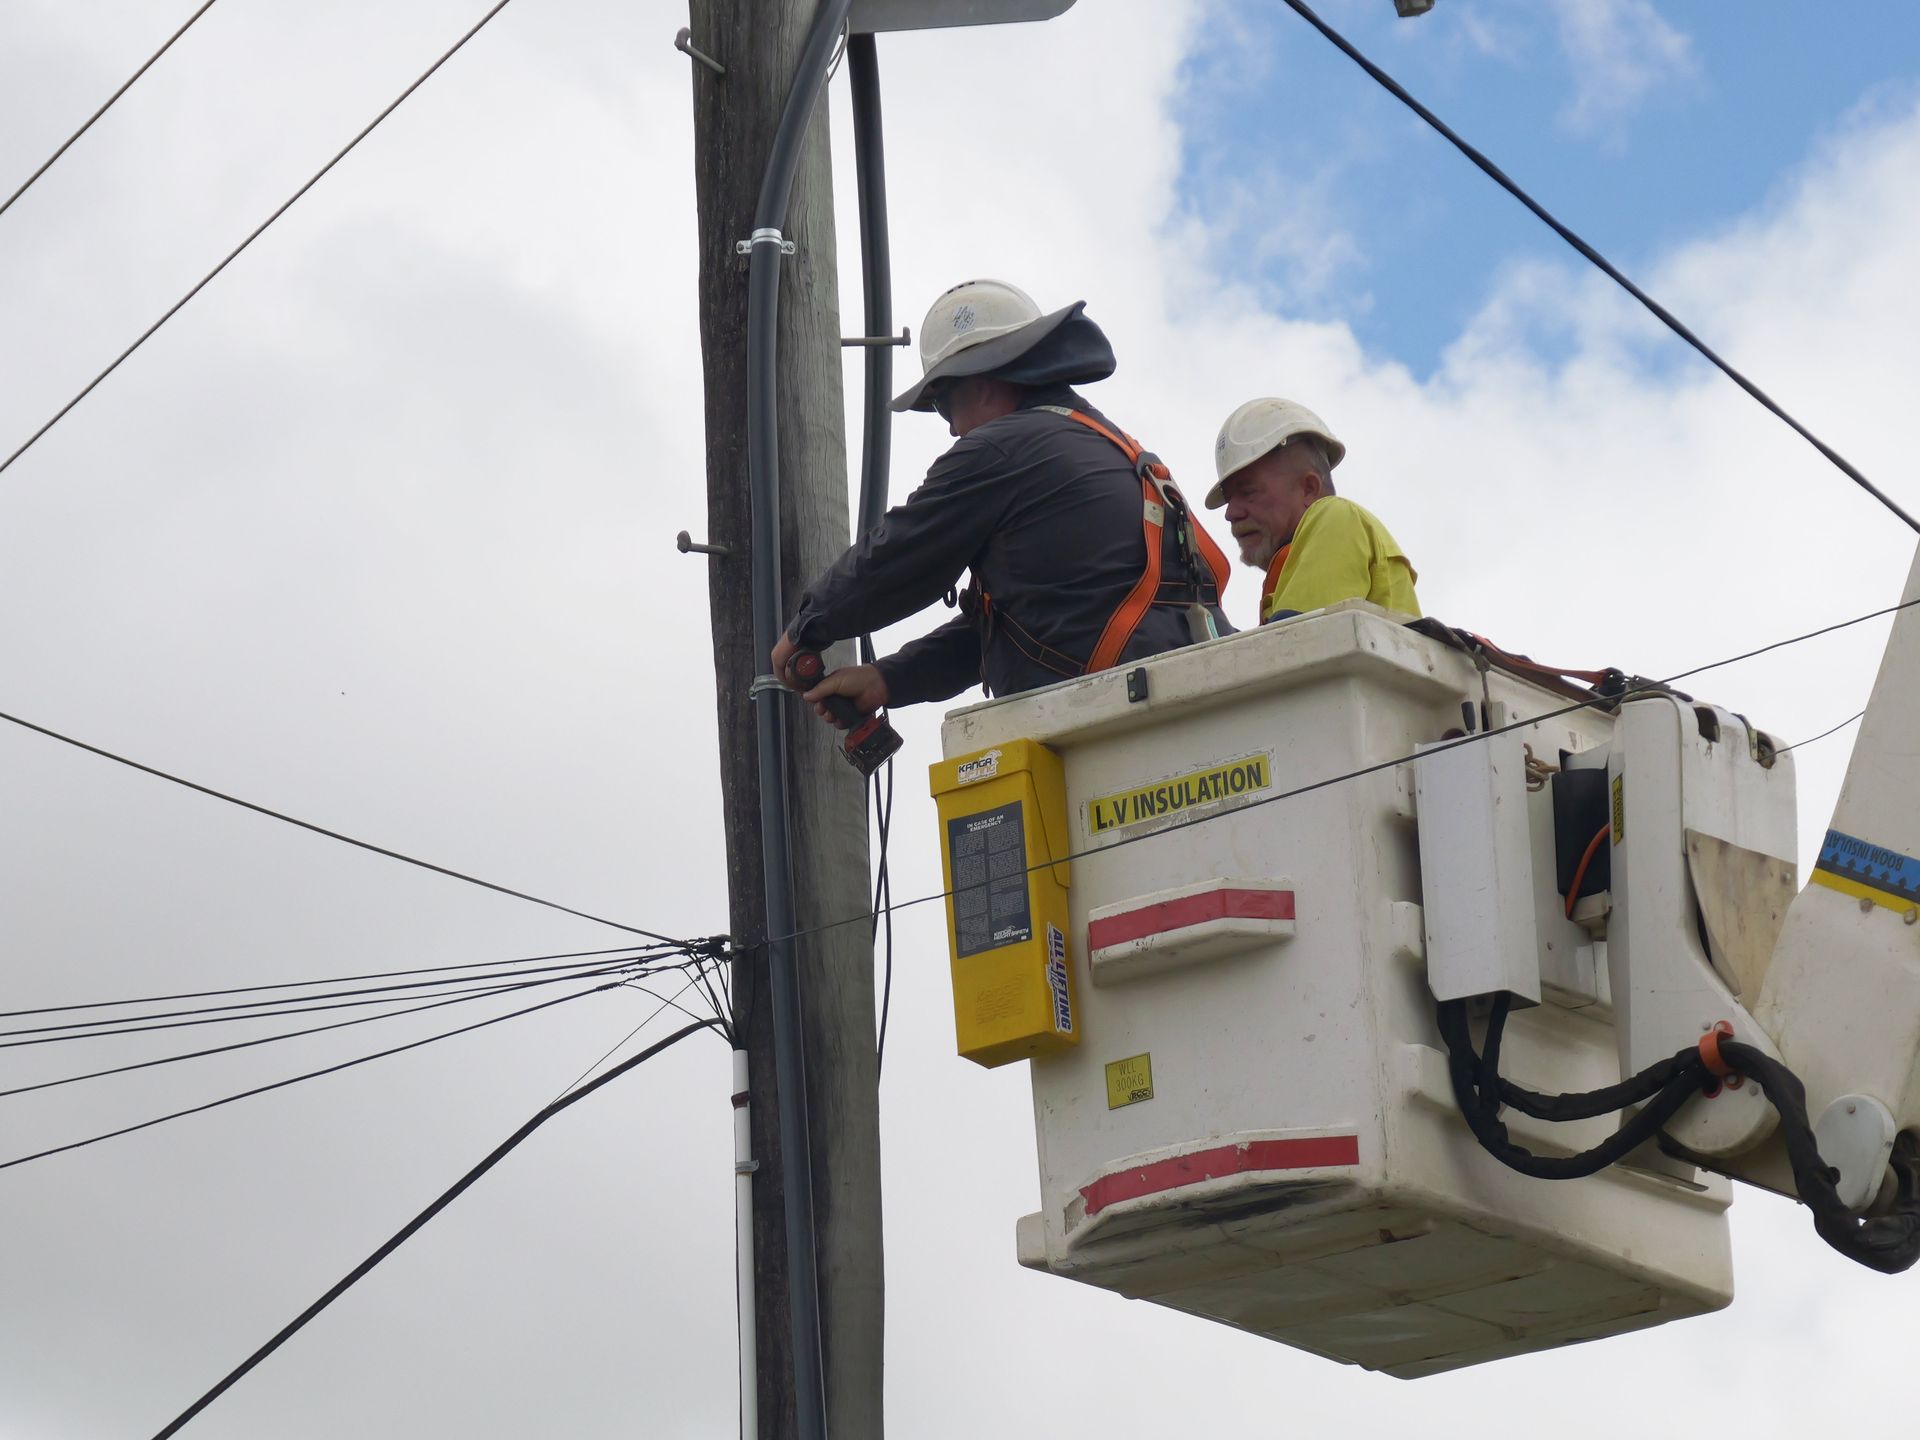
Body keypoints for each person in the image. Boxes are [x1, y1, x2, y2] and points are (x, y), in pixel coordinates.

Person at [771, 279, 1232, 720]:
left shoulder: (1001, 448)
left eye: (942, 405)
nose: (950, 427)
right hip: (1183, 699)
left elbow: (903, 553)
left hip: (1122, 718)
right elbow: (1015, 627)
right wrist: (886, 679)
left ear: (981, 382)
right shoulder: (1098, 444)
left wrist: (806, 627)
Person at [1207, 396, 1420, 623]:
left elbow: (1291, 646)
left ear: (1308, 489)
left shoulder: (1338, 518)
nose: (1231, 513)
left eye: (1248, 492)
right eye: (1229, 499)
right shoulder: (1287, 581)